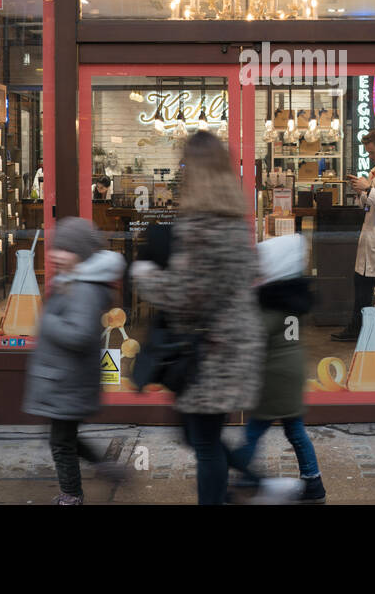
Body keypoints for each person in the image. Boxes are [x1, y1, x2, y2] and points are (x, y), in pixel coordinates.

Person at [130, 131, 300, 505]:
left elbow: (186, 297)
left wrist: (145, 276)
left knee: (203, 441)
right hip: (233, 346)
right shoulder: (235, 226)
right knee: (197, 435)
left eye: (185, 166)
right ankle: (260, 485)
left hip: (209, 353)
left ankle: (253, 487)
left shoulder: (198, 228)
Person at [22, 217, 128, 505]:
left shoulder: (82, 288)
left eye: (64, 250)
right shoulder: (74, 281)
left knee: (60, 442)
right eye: (56, 248)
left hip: (67, 379)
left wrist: (48, 322)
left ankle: (71, 494)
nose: (56, 254)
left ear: (80, 254)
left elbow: (80, 334)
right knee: (64, 438)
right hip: (65, 377)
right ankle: (106, 469)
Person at [230, 234, 326, 503]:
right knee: (295, 431)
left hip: (273, 379)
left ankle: (245, 476)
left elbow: (253, 334)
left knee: (253, 430)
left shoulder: (270, 303)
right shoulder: (292, 299)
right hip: (290, 377)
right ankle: (313, 481)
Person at [333, 128, 375, 344]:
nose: (370, 157)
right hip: (370, 239)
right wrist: (361, 193)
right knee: (361, 286)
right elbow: (368, 205)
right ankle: (356, 327)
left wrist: (369, 190)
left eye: (372, 152)